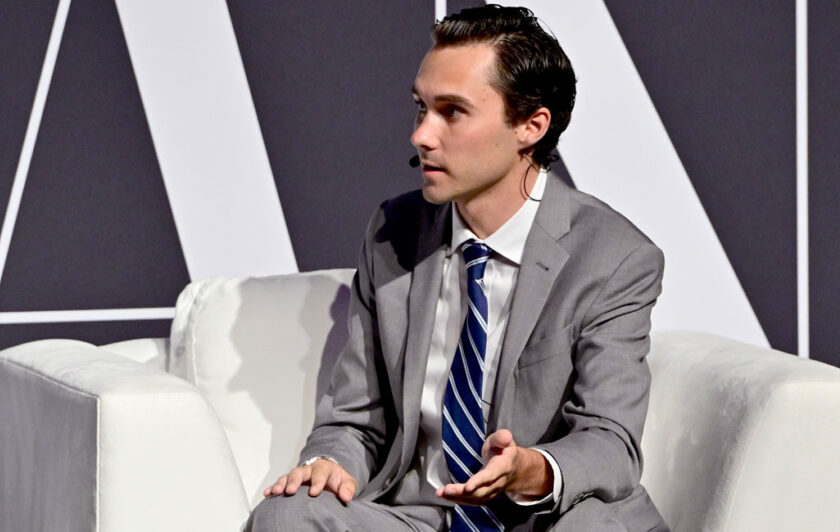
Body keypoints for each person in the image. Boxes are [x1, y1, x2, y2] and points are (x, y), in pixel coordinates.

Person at [246, 5, 668, 531]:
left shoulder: (613, 257)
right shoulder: (393, 232)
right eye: (421, 108)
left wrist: (531, 470)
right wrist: (328, 463)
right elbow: (355, 420)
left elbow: (610, 440)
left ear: (530, 126)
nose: (421, 135)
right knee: (287, 516)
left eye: (452, 111)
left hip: (544, 522)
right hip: (421, 519)